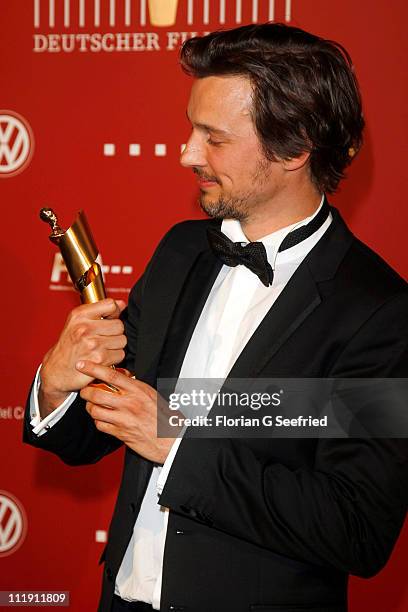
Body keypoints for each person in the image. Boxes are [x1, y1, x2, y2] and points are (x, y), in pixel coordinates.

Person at [24, 23, 408, 612]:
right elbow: (92, 436)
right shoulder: (181, 251)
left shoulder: (377, 311)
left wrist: (177, 445)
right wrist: (56, 384)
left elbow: (356, 527)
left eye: (214, 137)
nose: (186, 153)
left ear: (295, 148)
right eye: (190, 128)